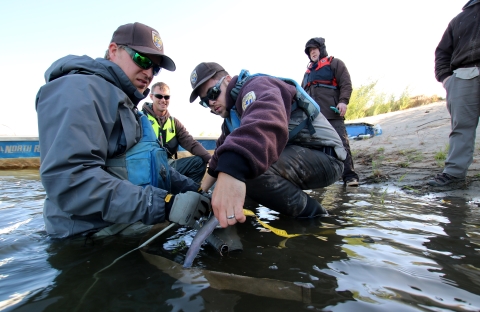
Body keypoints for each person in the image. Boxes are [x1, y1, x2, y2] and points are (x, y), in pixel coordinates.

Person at [36, 22, 210, 239]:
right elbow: (71, 180)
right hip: (90, 238)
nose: (148, 72)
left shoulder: (128, 107)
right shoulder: (81, 90)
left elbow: (155, 168)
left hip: (124, 221)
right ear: (113, 51)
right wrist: (165, 204)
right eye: (142, 59)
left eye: (155, 68)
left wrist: (198, 192)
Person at [189, 62, 347, 228]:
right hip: (297, 158)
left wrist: (233, 167)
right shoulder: (230, 121)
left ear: (228, 80)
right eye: (205, 102)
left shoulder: (256, 86)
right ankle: (245, 227)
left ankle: (317, 218)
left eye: (213, 93)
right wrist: (200, 193)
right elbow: (216, 161)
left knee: (246, 170)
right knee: (236, 180)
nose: (211, 103)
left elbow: (264, 119)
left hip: (326, 157)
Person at [428, 0, 480, 187]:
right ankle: (454, 174)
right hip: (463, 75)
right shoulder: (459, 19)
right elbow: (442, 52)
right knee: (461, 127)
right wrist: (446, 79)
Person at [301, 37, 360, 187]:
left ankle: (350, 177)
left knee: (341, 143)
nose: (312, 53)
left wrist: (343, 101)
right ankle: (325, 180)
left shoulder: (335, 63)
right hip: (314, 118)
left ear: (321, 49)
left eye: (314, 49)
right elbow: (301, 94)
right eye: (310, 51)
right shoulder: (307, 73)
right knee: (317, 148)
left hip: (332, 113)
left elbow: (346, 83)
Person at [142, 82, 211, 183]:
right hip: (146, 167)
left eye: (166, 97)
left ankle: (187, 195)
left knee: (199, 162)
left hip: (168, 165)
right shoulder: (140, 118)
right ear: (151, 97)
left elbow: (190, 142)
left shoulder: (174, 122)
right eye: (159, 96)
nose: (163, 100)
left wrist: (210, 159)